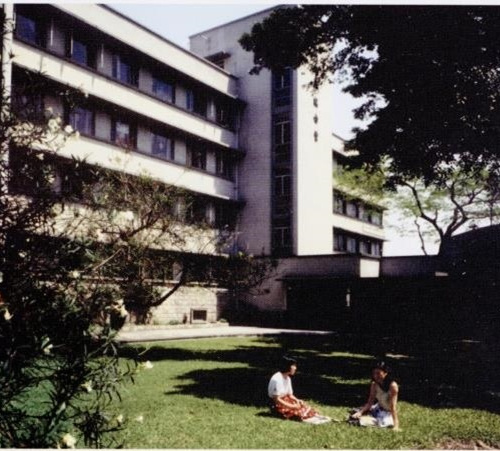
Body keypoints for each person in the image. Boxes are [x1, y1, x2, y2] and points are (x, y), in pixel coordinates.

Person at [267, 356, 330, 424]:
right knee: (298, 412)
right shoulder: (277, 379)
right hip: (277, 405)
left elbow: (290, 394)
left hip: (286, 400)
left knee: (305, 407)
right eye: (293, 366)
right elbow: (277, 399)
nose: (295, 368)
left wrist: (297, 400)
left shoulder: (288, 378)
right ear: (287, 366)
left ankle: (314, 417)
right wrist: (292, 406)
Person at [349, 361, 400, 430]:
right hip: (377, 408)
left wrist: (396, 426)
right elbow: (370, 402)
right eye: (374, 373)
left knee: (381, 423)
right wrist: (360, 412)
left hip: (388, 413)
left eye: (378, 373)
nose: (376, 376)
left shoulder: (393, 386)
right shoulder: (374, 385)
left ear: (385, 373)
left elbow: (393, 407)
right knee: (356, 414)